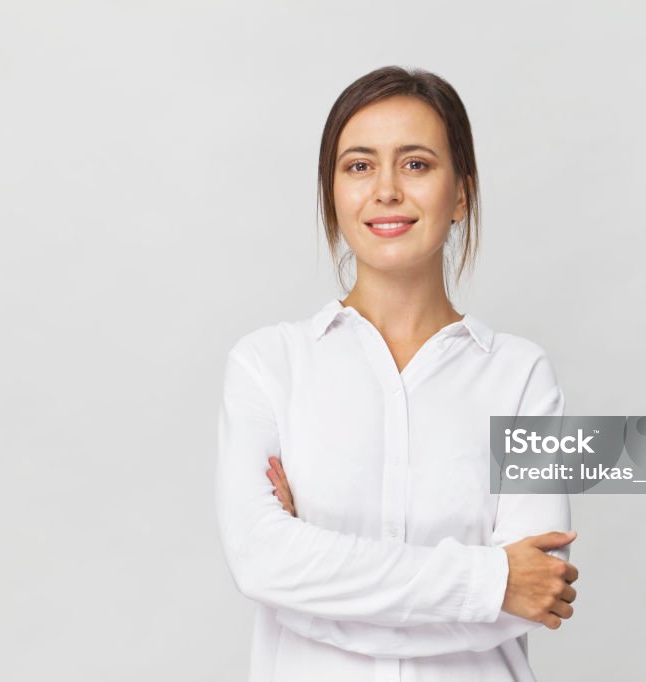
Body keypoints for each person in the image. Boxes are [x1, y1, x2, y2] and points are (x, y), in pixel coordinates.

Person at [216, 65, 579, 682]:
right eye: (359, 166)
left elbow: (534, 595)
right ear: (332, 192)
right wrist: (490, 578)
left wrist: (316, 584)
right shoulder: (266, 366)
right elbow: (262, 564)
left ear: (461, 192)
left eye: (415, 164)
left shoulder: (521, 377)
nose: (386, 189)